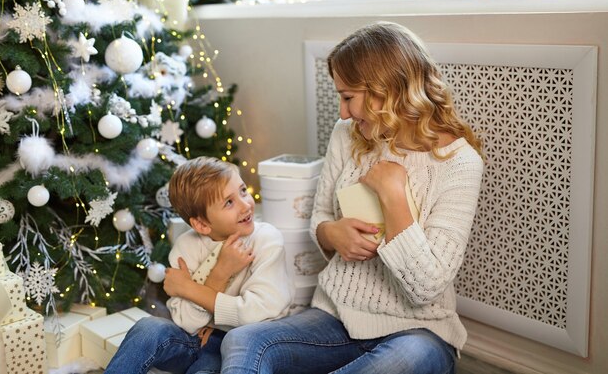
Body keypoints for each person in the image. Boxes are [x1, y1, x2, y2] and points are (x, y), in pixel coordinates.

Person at [220, 22, 484, 374]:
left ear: (387, 91)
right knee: (241, 341)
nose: (343, 112)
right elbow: (320, 218)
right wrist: (332, 234)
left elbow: (426, 288)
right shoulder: (347, 135)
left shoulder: (460, 162)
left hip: (420, 333)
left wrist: (393, 195)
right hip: (336, 318)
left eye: (348, 97)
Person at [104, 156, 292, 374]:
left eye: (242, 191)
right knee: (148, 328)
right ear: (201, 224)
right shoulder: (186, 246)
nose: (245, 205)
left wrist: (191, 290)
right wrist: (219, 274)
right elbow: (185, 322)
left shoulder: (266, 240)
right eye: (229, 202)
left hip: (239, 347)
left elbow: (261, 313)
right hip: (194, 339)